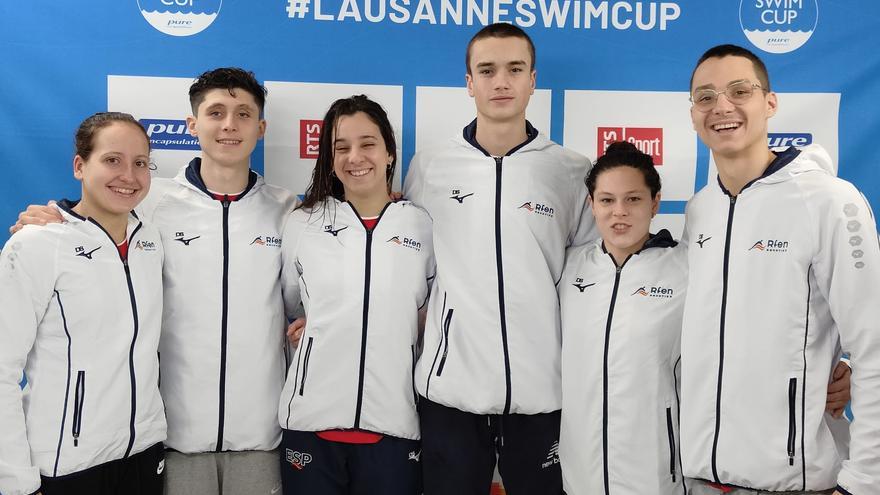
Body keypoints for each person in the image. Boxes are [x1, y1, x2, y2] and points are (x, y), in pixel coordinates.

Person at [10, 68, 297, 494]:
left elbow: (309, 294)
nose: (229, 125)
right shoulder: (150, 201)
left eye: (242, 113)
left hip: (262, 433)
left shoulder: (288, 208)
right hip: (170, 438)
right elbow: (89, 225)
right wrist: (40, 218)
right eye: (215, 112)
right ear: (192, 124)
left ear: (261, 128)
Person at [680, 44, 880, 495]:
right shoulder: (701, 209)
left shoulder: (828, 201)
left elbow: (874, 345)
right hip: (700, 480)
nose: (722, 107)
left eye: (739, 91)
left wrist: (865, 482)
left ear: (769, 103)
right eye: (705, 96)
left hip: (794, 484)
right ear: (693, 113)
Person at [403, 23, 594, 495]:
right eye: (487, 70)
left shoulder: (571, 170)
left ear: (533, 80)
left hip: (543, 394)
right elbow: (409, 268)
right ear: (469, 82)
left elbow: (590, 281)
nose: (501, 82)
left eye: (515, 69)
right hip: (451, 392)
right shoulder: (429, 166)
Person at [0, 112, 166, 495]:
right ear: (80, 165)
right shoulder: (37, 243)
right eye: (112, 160)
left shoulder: (151, 241)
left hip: (143, 454)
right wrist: (16, 482)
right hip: (67, 465)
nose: (128, 175)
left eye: (140, 163)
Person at [277, 95, 433, 494]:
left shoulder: (421, 226)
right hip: (311, 425)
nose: (354, 156)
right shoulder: (303, 224)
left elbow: (430, 312)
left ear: (389, 153)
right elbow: (291, 304)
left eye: (367, 143)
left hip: (395, 424)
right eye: (340, 147)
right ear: (329, 158)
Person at [558, 141, 687, 495]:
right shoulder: (568, 266)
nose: (620, 212)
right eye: (607, 200)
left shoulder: (687, 268)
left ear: (655, 202)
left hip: (657, 475)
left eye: (633, 199)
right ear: (591, 204)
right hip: (580, 475)